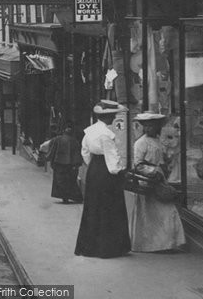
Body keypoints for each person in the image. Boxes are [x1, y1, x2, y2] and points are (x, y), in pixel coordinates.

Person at [75, 100, 131, 258]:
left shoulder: (90, 131)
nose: (114, 118)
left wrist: (93, 166)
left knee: (93, 206)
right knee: (110, 208)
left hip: (94, 169)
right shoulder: (106, 134)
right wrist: (121, 171)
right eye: (112, 115)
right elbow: (113, 162)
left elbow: (85, 152)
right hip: (106, 172)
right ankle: (109, 248)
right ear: (106, 117)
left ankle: (90, 246)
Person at [130, 112, 185, 252]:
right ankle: (153, 245)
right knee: (154, 215)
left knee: (165, 213)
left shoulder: (159, 141)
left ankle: (165, 244)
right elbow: (137, 164)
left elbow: (163, 157)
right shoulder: (140, 143)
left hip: (160, 181)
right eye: (146, 126)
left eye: (152, 126)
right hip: (148, 183)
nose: (149, 129)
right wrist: (153, 171)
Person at [47, 121, 83, 204]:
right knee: (70, 181)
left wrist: (49, 159)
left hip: (59, 163)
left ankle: (64, 197)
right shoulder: (74, 141)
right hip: (71, 164)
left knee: (60, 181)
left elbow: (52, 150)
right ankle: (74, 197)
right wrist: (77, 164)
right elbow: (77, 154)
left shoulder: (57, 139)